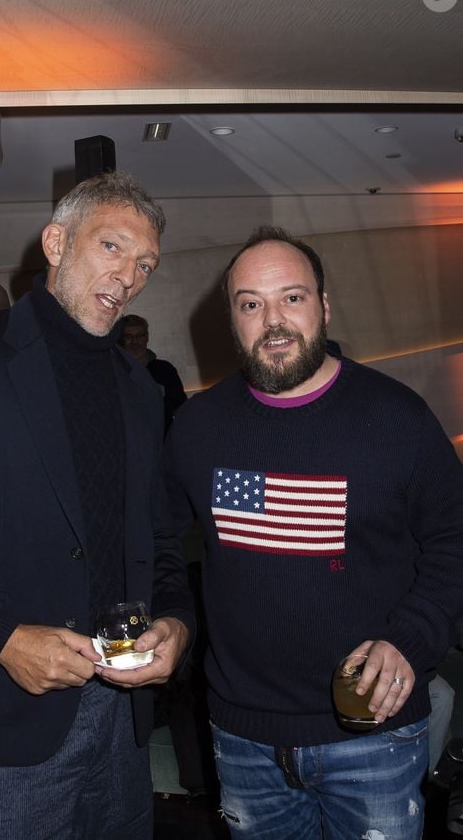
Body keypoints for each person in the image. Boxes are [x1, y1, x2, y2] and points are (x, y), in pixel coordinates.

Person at [0, 171, 194, 840]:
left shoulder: (142, 394)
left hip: (124, 723)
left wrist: (176, 620)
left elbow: (159, 540)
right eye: (112, 247)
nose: (129, 275)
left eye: (145, 264)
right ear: (55, 241)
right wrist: (0, 639)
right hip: (3, 725)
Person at [164, 224, 463, 839]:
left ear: (324, 306)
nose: (272, 320)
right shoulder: (198, 427)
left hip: (372, 734)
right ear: (232, 319)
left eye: (291, 298)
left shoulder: (398, 419)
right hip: (242, 738)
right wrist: (171, 617)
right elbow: (158, 545)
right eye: (251, 304)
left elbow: (453, 542)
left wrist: (409, 639)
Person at [120, 314, 187, 432]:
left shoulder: (165, 370)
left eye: (140, 336)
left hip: (163, 442)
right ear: (121, 340)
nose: (134, 342)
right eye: (128, 336)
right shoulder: (113, 371)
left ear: (147, 337)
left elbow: (181, 409)